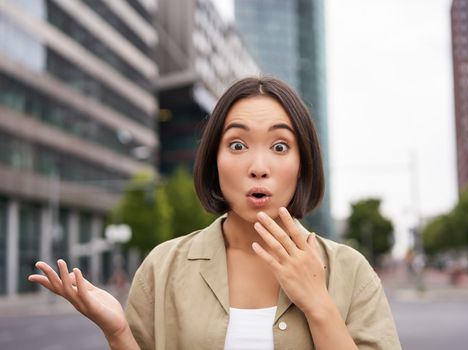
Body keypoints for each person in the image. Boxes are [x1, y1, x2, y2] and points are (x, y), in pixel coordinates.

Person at [29, 77, 402, 350]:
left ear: (303, 164)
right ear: (214, 161)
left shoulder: (351, 271)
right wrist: (118, 333)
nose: (258, 166)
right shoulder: (163, 267)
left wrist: (318, 303)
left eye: (279, 146)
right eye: (237, 144)